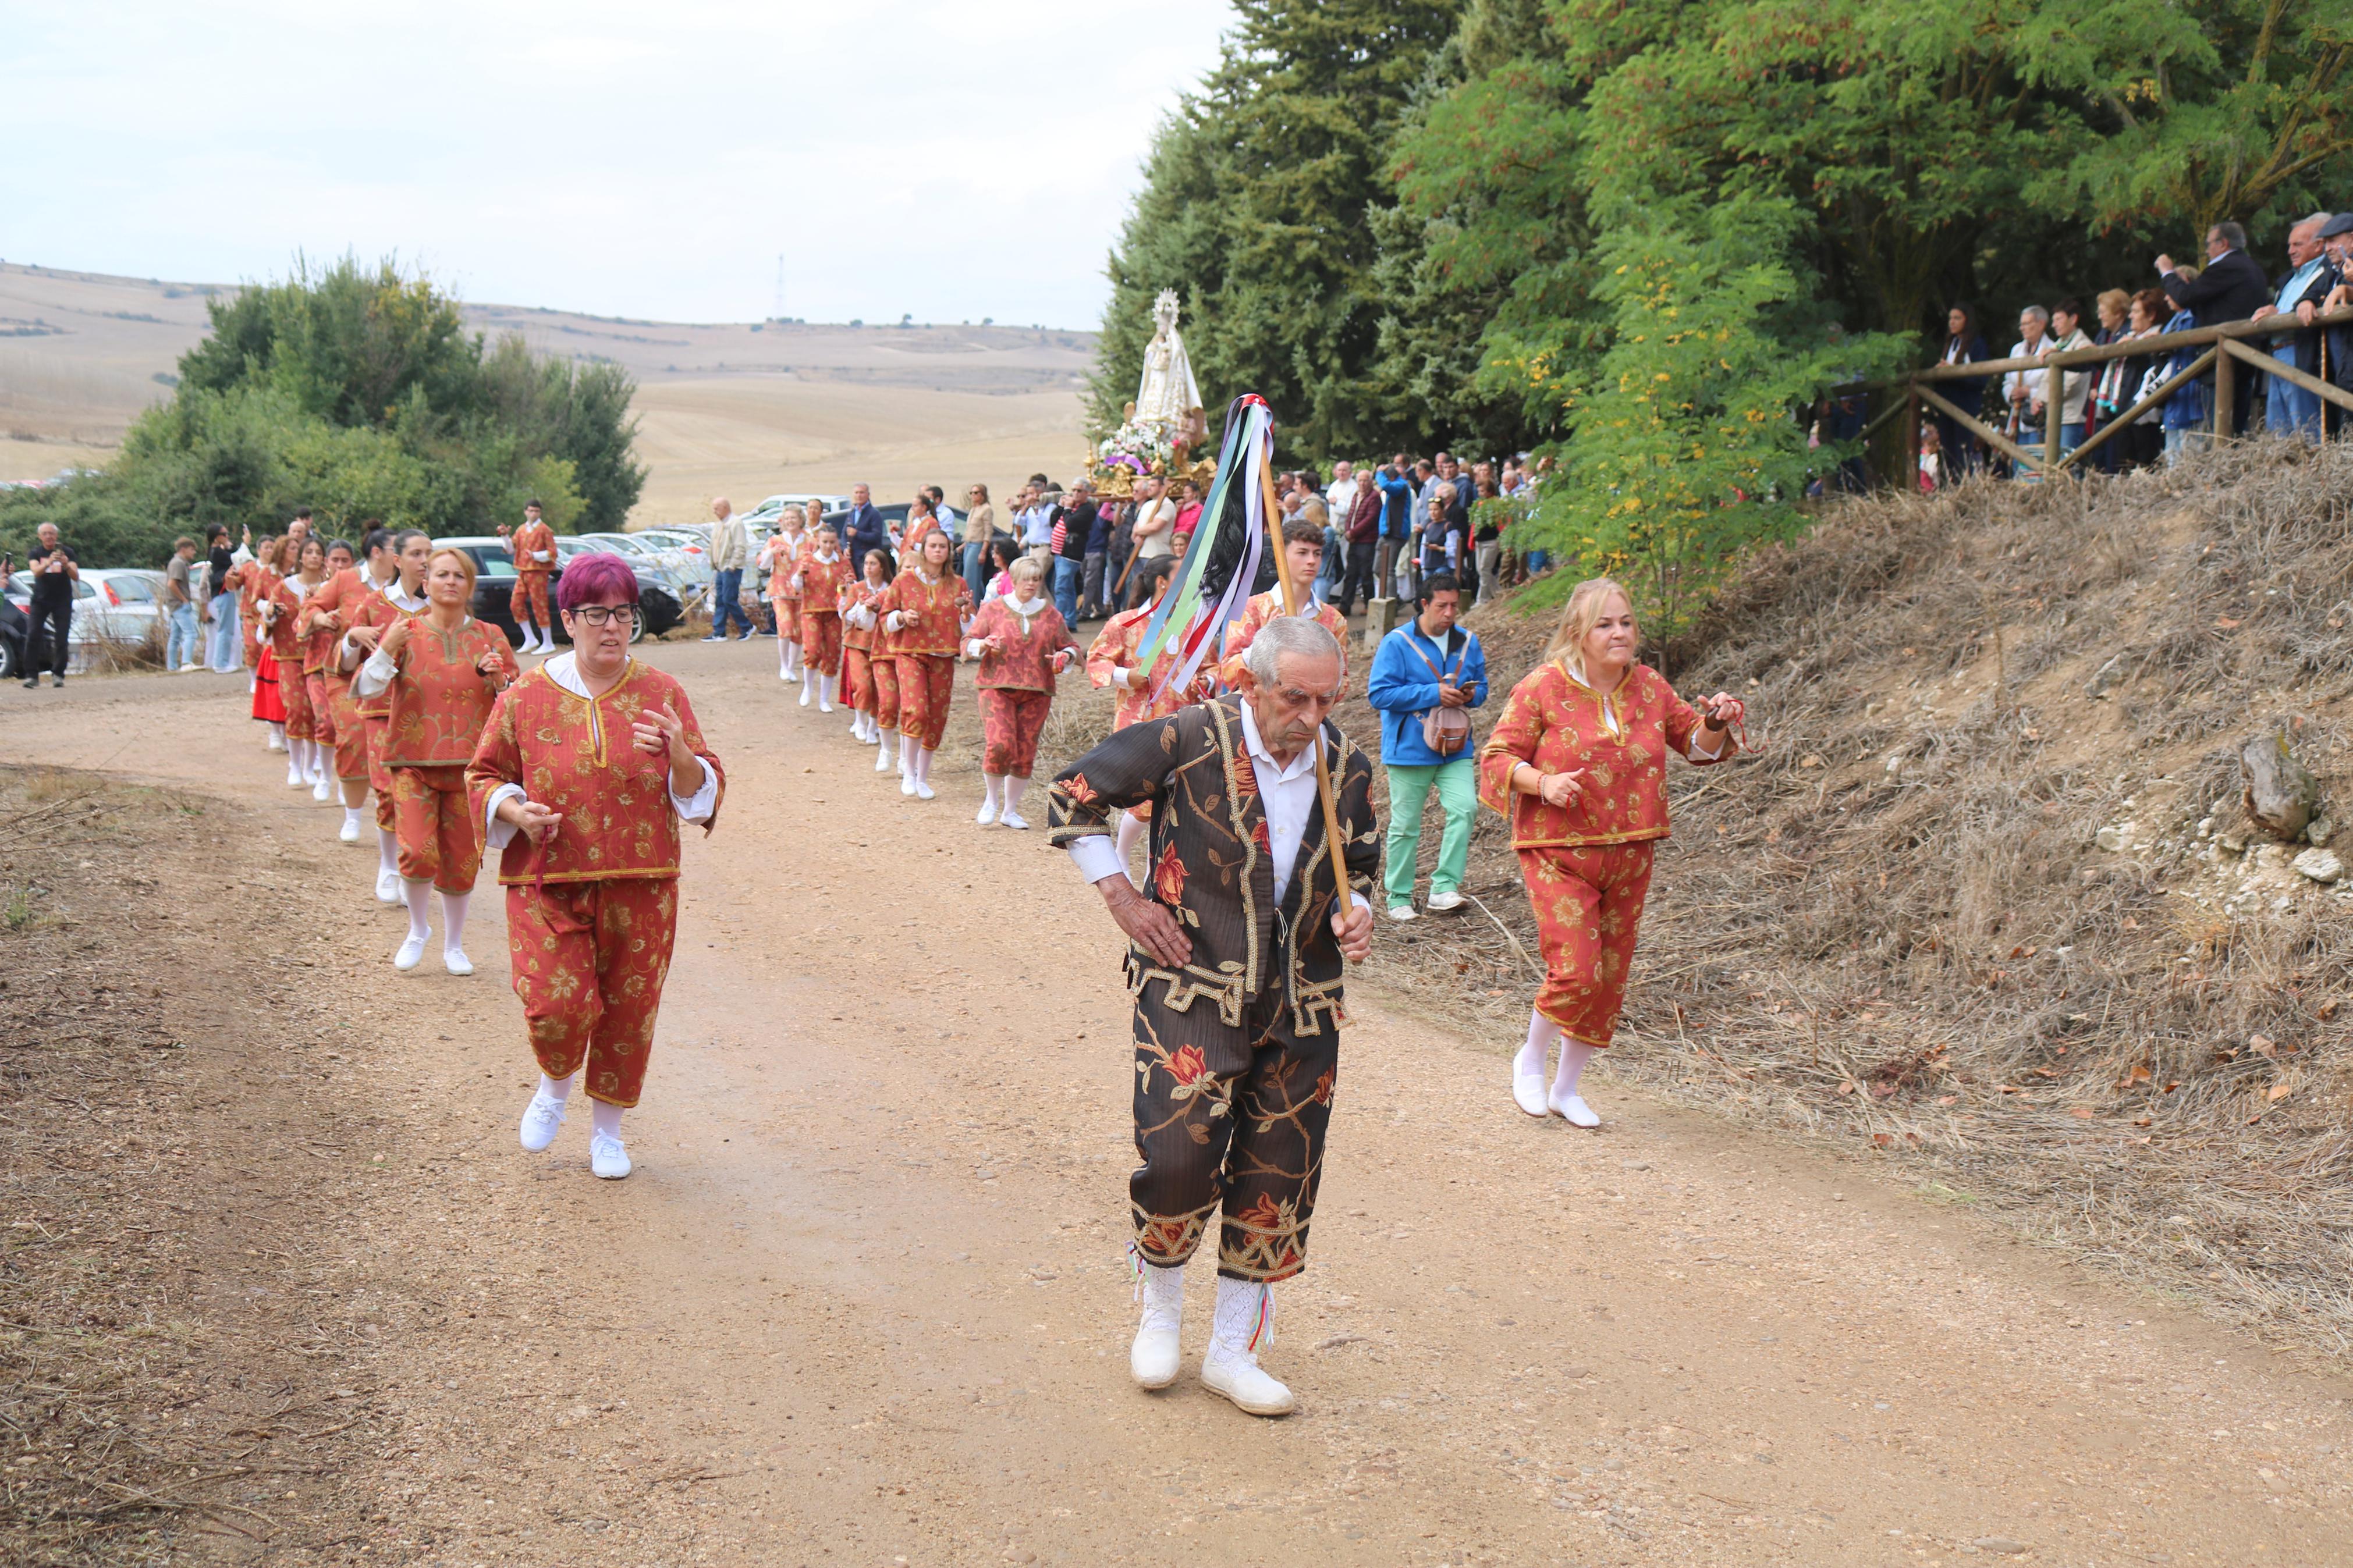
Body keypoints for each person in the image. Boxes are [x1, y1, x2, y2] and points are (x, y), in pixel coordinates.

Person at [1046, 614, 1377, 1418]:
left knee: (1276, 1175)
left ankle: (1233, 1350)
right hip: (1189, 988)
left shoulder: (1344, 763)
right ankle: (1159, 1313)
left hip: (1302, 1003)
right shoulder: (1187, 737)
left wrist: (1358, 907)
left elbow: (1358, 858)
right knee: (1175, 1160)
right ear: (1251, 684)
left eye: (1324, 700)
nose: (1307, 717)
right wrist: (1120, 895)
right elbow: (1071, 795)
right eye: (1292, 698)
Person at [469, 553, 723, 1182]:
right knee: (557, 1004)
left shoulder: (663, 694)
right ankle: (554, 1081)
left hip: (644, 881)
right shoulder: (525, 694)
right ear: (567, 618)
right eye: (595, 614)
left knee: (627, 1009)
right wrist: (514, 809)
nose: (611, 627)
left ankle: (606, 1133)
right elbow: (483, 775)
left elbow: (702, 793)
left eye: (622, 614)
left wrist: (681, 755)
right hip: (546, 878)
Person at [1477, 577, 1740, 1127]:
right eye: (1604, 623)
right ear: (1578, 631)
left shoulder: (1648, 686)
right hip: (1556, 849)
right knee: (1575, 970)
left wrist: (1715, 721)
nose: (1618, 632)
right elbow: (1497, 758)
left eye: (1624, 622)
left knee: (1608, 976)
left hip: (1632, 850)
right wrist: (1543, 783)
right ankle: (1530, 1059)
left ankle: (1567, 1088)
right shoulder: (1542, 687)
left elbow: (1695, 745)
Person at [356, 546, 516, 972]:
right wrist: (386, 650)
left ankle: (455, 945)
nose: (449, 582)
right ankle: (417, 929)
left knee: (462, 857)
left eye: (458, 576)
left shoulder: (490, 635)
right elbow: (364, 690)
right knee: (418, 851)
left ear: (469, 585)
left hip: (471, 769)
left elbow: (518, 701)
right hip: (411, 761)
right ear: (425, 584)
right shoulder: (403, 631)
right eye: (440, 574)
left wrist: (500, 679)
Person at [1366, 572, 1488, 922]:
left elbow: (1482, 691)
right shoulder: (1397, 643)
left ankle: (1444, 888)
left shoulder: (1468, 642)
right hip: (1409, 748)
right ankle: (1398, 896)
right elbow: (1379, 694)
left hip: (1456, 746)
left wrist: (1469, 694)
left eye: (1455, 606)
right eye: (1442, 606)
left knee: (1464, 808)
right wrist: (1432, 693)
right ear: (1424, 605)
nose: (1450, 613)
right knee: (1406, 825)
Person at [1085, 555, 1219, 872]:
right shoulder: (1126, 622)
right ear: (1163, 583)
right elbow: (1096, 661)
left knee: (1174, 798)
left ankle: (1154, 867)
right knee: (1144, 799)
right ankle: (1121, 854)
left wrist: (1208, 679)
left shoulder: (1193, 624)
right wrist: (1125, 676)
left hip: (1186, 722)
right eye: (1182, 577)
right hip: (1140, 722)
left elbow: (1213, 664)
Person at [341, 530, 432, 903]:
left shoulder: (439, 607)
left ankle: (419, 864)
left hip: (430, 713)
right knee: (386, 793)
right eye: (416, 553)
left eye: (430, 553)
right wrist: (351, 638)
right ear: (398, 560)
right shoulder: (373, 604)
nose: (424, 560)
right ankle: (389, 866)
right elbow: (350, 665)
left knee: (422, 793)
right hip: (382, 710)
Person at [964, 556, 1080, 829]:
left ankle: (1010, 810)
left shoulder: (1051, 614)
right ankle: (991, 800)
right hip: (996, 685)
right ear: (1013, 580)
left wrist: (1065, 657)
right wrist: (983, 645)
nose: (1032, 584)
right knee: (1000, 743)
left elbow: (1072, 646)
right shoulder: (993, 609)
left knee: (1025, 749)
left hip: (1037, 689)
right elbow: (968, 641)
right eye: (1026, 578)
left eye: (1037, 579)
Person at [880, 529, 973, 800]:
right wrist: (901, 616)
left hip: (944, 656)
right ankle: (909, 771)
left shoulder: (958, 583)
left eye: (943, 546)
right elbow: (886, 616)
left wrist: (967, 614)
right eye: (933, 546)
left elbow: (969, 626)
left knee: (936, 717)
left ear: (949, 551)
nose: (938, 551)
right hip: (910, 652)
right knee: (915, 710)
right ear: (924, 550)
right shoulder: (903, 580)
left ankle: (923, 777)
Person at [2158, 222, 2272, 436]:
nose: (2207, 250)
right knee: (2234, 426)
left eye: (2208, 244)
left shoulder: (2227, 267)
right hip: (2242, 354)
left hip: (2226, 356)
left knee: (2221, 430)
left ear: (2223, 244)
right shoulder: (2251, 267)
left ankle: (2226, 462)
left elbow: (2186, 297)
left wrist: (2167, 273)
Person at [1217, 515, 1351, 695]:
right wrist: (1263, 645)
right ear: (1281, 554)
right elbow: (1228, 672)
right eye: (1302, 553)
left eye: (1317, 553)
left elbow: (1342, 683)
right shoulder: (1252, 609)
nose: (1311, 560)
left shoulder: (1333, 620)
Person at [2251, 212, 2337, 443]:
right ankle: (2286, 478)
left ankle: (2312, 477)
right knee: (2280, 433)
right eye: (2290, 245)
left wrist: (2282, 315)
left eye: (2297, 244)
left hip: (2303, 353)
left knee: (2306, 430)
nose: (2290, 251)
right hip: (2276, 354)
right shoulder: (2288, 279)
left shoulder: (2329, 271)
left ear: (2319, 245)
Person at [265, 536, 331, 790]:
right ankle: (294, 764)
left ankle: (309, 765)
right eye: (309, 552)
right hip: (290, 656)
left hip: (319, 658)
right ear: (301, 557)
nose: (314, 556)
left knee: (318, 712)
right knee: (296, 709)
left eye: (318, 552)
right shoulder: (285, 587)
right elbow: (269, 618)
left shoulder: (328, 588)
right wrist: (271, 615)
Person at [2152, 276, 2211, 465]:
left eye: (2171, 292)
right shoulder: (2175, 321)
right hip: (2175, 403)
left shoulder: (2197, 317)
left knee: (2192, 464)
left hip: (2192, 402)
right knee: (2173, 464)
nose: (2167, 298)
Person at [792, 519, 849, 712]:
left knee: (832, 654)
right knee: (813, 651)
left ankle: (824, 698)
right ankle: (808, 687)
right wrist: (799, 574)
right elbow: (797, 586)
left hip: (834, 613)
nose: (828, 546)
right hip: (811, 611)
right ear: (818, 541)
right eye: (825, 542)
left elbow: (851, 588)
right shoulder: (808, 561)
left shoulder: (843, 563)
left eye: (832, 542)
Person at [841, 550, 892, 753]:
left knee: (880, 689)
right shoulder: (857, 588)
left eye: (873, 563)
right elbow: (847, 616)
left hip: (883, 645)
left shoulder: (891, 589)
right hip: (858, 643)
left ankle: (873, 726)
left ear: (882, 566)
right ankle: (860, 721)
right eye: (866, 563)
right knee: (862, 685)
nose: (868, 567)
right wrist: (861, 606)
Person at [1935, 304, 1992, 474]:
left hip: (1965, 404)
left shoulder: (1976, 344)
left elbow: (1980, 378)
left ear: (1967, 320)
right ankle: (1948, 485)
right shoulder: (1951, 343)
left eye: (1957, 318)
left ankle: (1962, 487)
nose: (1952, 322)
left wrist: (1953, 372)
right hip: (1946, 403)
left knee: (1962, 450)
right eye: (1950, 318)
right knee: (1948, 450)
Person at [22, 521, 77, 689]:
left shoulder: (67, 552)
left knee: (62, 638)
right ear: (40, 536)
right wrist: (49, 562)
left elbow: (76, 576)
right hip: (40, 600)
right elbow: (36, 572)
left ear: (57, 536)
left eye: (52, 534)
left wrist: (66, 564)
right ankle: (31, 676)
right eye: (45, 534)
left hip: (62, 600)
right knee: (32, 635)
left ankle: (58, 675)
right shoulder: (36, 553)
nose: (49, 537)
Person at [760, 503, 812, 680]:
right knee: (785, 626)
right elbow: (763, 564)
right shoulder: (775, 540)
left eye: (793, 518)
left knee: (798, 631)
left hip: (802, 591)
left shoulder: (810, 541)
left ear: (800, 520)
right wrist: (772, 552)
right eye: (787, 518)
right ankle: (783, 665)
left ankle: (791, 666)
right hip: (780, 590)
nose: (790, 521)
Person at [2037, 298, 2095, 456]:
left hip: (2072, 417)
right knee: (2053, 462)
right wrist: (2038, 398)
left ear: (2073, 319)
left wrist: (2044, 398)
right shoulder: (2058, 345)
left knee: (2068, 462)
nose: (2054, 324)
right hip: (2055, 415)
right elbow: (2046, 376)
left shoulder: (2082, 344)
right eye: (2054, 320)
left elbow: (2072, 382)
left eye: (2059, 319)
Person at [245, 538, 288, 749]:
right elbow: (257, 601)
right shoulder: (266, 574)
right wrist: (271, 608)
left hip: (297, 635)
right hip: (274, 631)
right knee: (274, 690)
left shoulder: (302, 576)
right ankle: (276, 732)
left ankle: (292, 734)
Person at [509, 500, 556, 654]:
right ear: (525, 512)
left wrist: (535, 555)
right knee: (516, 604)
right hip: (523, 571)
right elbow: (510, 547)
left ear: (540, 513)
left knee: (539, 605)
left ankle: (548, 642)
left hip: (538, 572)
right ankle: (530, 638)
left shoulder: (545, 530)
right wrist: (504, 536)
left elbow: (552, 553)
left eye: (536, 511)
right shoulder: (521, 530)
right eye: (531, 511)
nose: (533, 514)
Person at [1333, 468, 1382, 617]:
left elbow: (1370, 519)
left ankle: (1369, 604)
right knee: (1351, 574)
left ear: (1371, 481)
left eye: (1365, 480)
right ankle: (1345, 605)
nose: (1362, 483)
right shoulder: (1356, 495)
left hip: (1367, 541)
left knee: (1366, 573)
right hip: (1354, 540)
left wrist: (1352, 533)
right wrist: (1349, 532)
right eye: (1360, 480)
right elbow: (1350, 515)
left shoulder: (1374, 497)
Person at [1124, 475, 1176, 610]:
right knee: (1137, 586)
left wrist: (1139, 532)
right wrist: (1135, 535)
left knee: (1153, 587)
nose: (1149, 488)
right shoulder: (1147, 504)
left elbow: (1156, 526)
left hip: (1156, 553)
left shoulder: (1167, 505)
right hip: (1141, 551)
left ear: (1161, 487)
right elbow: (1137, 524)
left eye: (1153, 485)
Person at [705, 496, 752, 641]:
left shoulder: (736, 523)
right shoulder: (719, 525)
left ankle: (747, 627)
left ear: (726, 507)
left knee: (728, 599)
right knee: (720, 600)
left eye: (717, 508)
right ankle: (719, 631)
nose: (714, 512)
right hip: (720, 568)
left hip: (731, 568)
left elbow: (740, 546)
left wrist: (732, 565)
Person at [1050, 479, 1095, 626]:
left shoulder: (1087, 509)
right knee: (1067, 588)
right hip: (1059, 553)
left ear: (1087, 493)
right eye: (1074, 490)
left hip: (1070, 554)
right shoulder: (1071, 507)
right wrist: (1060, 506)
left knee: (1061, 587)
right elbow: (1053, 522)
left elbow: (1071, 525)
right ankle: (1069, 621)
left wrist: (1068, 509)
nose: (1075, 493)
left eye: (1079, 491)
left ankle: (1057, 622)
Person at [203, 525, 242, 673]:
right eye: (224, 534)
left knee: (227, 628)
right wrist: (234, 546)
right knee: (225, 629)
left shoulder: (216, 551)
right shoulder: (217, 552)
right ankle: (220, 663)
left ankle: (222, 661)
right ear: (216, 537)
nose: (227, 536)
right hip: (222, 592)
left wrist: (229, 546)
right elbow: (236, 559)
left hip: (221, 593)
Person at [842, 483, 893, 580]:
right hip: (853, 558)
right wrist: (845, 548)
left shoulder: (874, 513)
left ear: (868, 495)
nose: (859, 496)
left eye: (862, 493)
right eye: (856, 493)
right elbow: (845, 533)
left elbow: (876, 536)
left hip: (867, 559)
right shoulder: (852, 512)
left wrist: (857, 533)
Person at [960, 483, 998, 605]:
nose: (973, 495)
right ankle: (982, 602)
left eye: (976, 493)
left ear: (983, 495)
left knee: (970, 578)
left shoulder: (986, 509)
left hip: (978, 545)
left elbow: (988, 531)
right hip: (969, 544)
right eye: (972, 493)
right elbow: (970, 530)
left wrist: (983, 551)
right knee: (974, 577)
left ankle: (972, 605)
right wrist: (963, 545)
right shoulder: (973, 509)